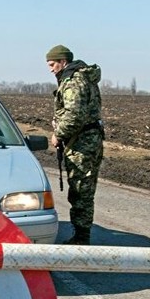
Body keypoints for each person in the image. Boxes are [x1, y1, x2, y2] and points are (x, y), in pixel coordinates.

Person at [46, 44, 104, 245]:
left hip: (82, 144)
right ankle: (81, 236)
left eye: (53, 64)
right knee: (82, 190)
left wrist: (59, 135)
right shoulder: (80, 78)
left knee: (81, 191)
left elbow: (74, 115)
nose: (50, 69)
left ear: (63, 62)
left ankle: (81, 239)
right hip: (85, 140)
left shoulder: (73, 82)